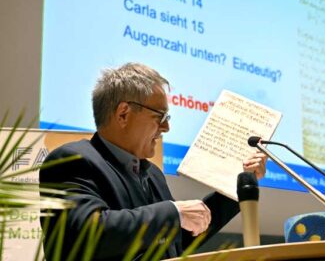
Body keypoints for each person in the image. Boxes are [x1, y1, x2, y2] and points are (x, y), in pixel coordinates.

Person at [40, 62, 267, 260]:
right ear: (123, 114)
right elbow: (85, 233)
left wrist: (239, 182)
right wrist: (173, 214)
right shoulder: (73, 160)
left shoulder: (152, 174)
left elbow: (180, 238)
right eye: (160, 116)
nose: (166, 127)